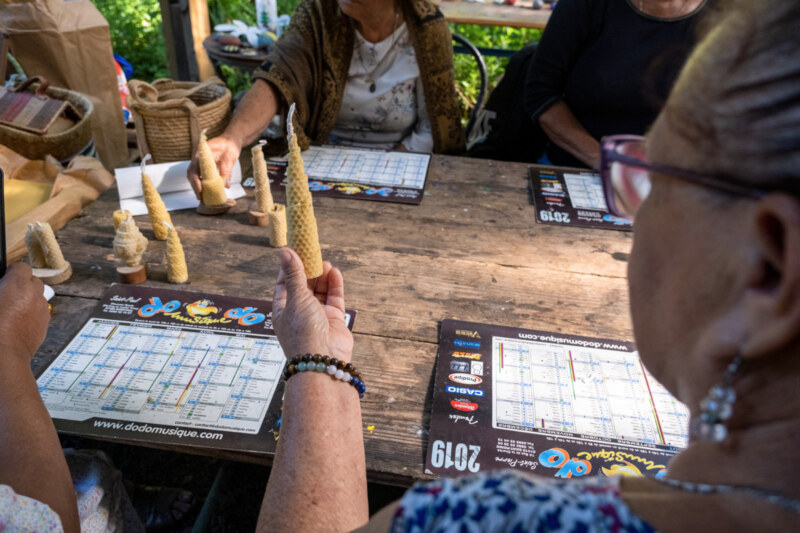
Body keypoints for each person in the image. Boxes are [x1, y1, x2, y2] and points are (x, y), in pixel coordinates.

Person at [258, 0, 800, 530]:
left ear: (768, 270)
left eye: (650, 178)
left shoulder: (481, 519)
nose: (633, 216)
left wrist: (315, 362)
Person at [188, 0, 465, 198]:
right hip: (324, 161)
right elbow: (279, 75)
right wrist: (232, 138)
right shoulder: (319, 13)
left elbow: (433, 128)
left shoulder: (427, 27)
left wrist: (382, 168)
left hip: (400, 163)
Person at [524, 0, 709, 169]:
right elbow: (541, 92)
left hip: (683, 177)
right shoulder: (589, 6)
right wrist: (604, 160)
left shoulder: (728, 15)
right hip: (582, 167)